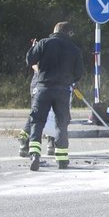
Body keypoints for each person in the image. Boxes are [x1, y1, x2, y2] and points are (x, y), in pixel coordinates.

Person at [25, 21, 84, 171]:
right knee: (61, 124)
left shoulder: (44, 43)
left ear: (55, 31)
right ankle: (62, 160)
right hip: (62, 91)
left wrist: (33, 48)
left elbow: (30, 60)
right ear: (68, 32)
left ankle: (35, 155)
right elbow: (78, 73)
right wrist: (68, 80)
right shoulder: (74, 49)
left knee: (37, 122)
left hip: (43, 89)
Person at [17, 63, 58, 158]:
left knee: (53, 112)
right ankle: (25, 141)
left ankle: (51, 141)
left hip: (52, 82)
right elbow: (34, 62)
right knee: (37, 114)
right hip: (40, 82)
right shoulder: (40, 47)